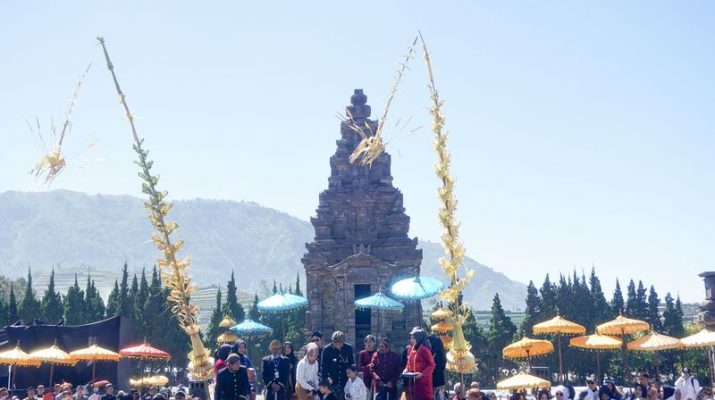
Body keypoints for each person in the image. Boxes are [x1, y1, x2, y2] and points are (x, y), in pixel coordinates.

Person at [321, 331, 355, 399]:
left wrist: (352, 378)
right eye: (335, 342)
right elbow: (324, 367)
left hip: (345, 382)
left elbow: (351, 364)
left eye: (340, 342)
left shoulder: (348, 348)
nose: (338, 344)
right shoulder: (327, 350)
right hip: (332, 383)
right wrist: (327, 379)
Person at [403, 328, 436, 400]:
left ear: (419, 338)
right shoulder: (410, 349)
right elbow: (409, 363)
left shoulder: (425, 350)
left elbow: (432, 365)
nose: (412, 340)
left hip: (424, 383)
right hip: (413, 383)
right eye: (411, 338)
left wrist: (422, 374)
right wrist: (406, 369)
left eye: (414, 338)